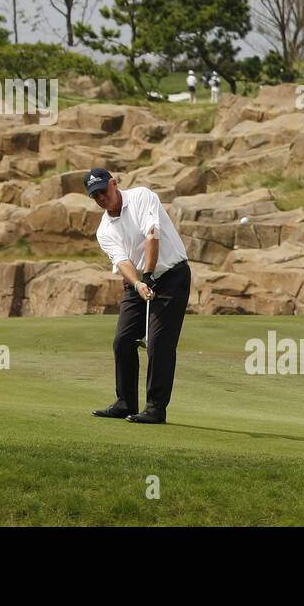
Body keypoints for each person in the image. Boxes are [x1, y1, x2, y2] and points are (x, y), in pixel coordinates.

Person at [85, 168, 191, 424]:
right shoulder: (104, 229)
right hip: (138, 280)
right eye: (95, 195)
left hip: (171, 276)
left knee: (158, 345)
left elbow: (151, 235)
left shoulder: (142, 197)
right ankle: (125, 402)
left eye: (103, 191)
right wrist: (139, 283)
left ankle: (155, 409)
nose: (100, 198)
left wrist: (150, 275)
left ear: (114, 183)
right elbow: (122, 260)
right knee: (122, 341)